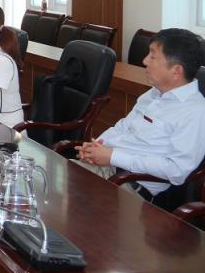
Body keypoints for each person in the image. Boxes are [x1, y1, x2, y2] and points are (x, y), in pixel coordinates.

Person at [75, 28, 205, 199]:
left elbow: (177, 170)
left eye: (152, 56)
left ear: (176, 71)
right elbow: (122, 128)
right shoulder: (153, 93)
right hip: (106, 168)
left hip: (128, 186)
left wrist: (114, 157)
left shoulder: (195, 111)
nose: (145, 61)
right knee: (51, 181)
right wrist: (96, 148)